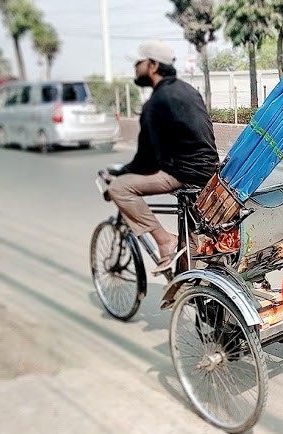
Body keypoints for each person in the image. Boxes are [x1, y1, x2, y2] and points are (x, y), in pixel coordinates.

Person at [107, 41, 219, 274]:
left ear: (153, 65)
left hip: (184, 173)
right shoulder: (187, 90)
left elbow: (147, 161)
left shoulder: (156, 102)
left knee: (119, 188)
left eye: (138, 63)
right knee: (190, 240)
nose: (135, 67)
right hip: (209, 170)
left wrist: (121, 172)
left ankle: (163, 241)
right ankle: (188, 288)